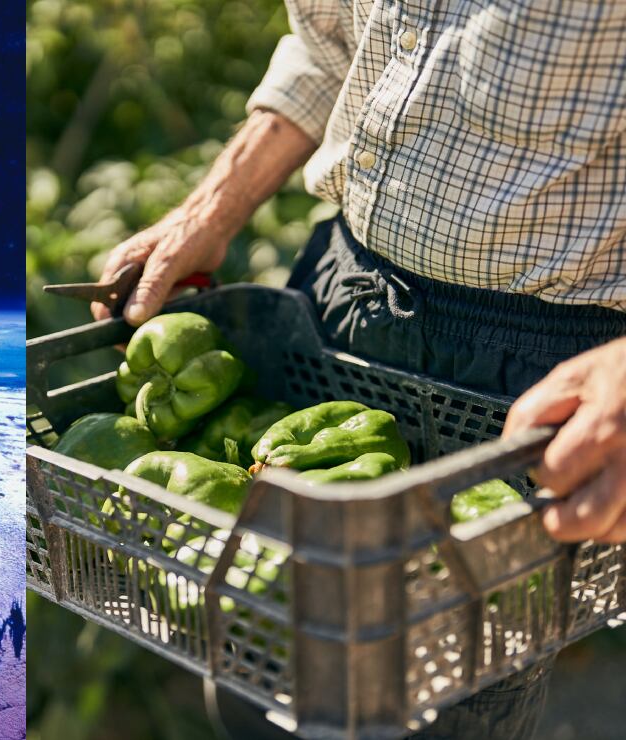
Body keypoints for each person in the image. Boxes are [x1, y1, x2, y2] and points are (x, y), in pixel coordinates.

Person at [92, 2, 626, 737]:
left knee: (443, 699)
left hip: (539, 355)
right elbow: (329, 44)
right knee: (258, 664)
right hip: (341, 292)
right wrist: (212, 207)